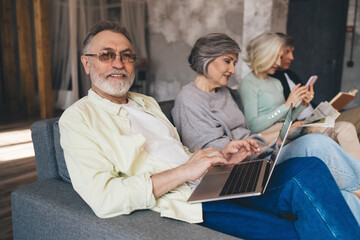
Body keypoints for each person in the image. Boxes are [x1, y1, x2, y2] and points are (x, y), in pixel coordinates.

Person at [59, 21, 360, 239]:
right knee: (296, 224)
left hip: (213, 181)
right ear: (86, 63)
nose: (119, 63)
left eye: (126, 55)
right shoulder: (77, 119)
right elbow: (104, 199)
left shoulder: (145, 102)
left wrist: (219, 154)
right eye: (106, 55)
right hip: (190, 201)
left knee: (309, 168)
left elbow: (179, 152)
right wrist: (186, 171)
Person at [171, 32, 360, 224]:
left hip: (257, 154)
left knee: (343, 191)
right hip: (241, 168)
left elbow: (250, 134)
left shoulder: (225, 92)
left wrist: (282, 134)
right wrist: (265, 144)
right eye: (227, 61)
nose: (233, 70)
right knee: (316, 144)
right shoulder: (189, 100)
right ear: (205, 59)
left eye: (234, 63)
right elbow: (215, 155)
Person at [270, 32, 360, 161]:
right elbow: (283, 116)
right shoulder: (273, 81)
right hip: (305, 124)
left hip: (317, 117)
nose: (292, 57)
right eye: (287, 52)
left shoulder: (291, 74)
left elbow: (306, 105)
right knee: (348, 126)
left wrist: (325, 108)